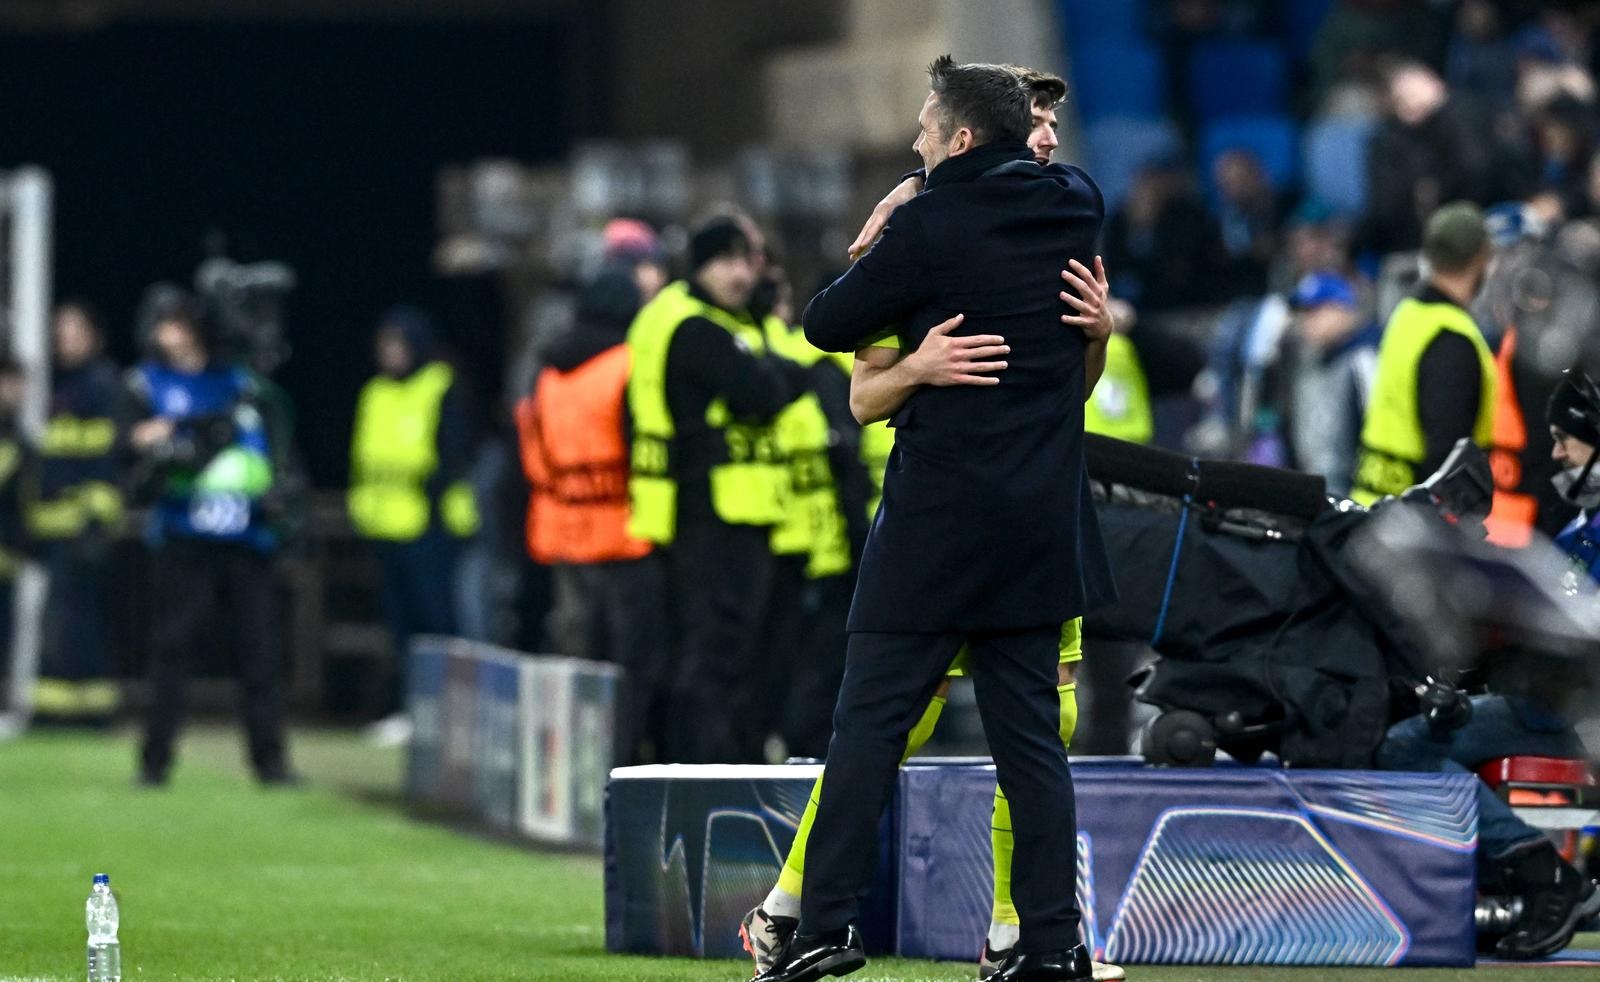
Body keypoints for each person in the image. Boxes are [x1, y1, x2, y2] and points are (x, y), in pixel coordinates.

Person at [744, 67, 1124, 982]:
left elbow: (825, 324)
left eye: (924, 131)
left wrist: (886, 229)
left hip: (935, 525)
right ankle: (1049, 943)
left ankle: (823, 925)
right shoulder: (1075, 207)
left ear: (956, 141)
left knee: (870, 726)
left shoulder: (923, 230)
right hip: (1037, 526)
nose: (915, 141)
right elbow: (1062, 187)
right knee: (1033, 745)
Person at [1375, 374, 1600, 961]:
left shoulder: (1587, 533)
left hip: (1567, 713)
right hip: (1548, 702)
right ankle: (1509, 877)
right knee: (1412, 723)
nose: (1555, 454)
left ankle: (1540, 873)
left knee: (1403, 749)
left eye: (1565, 439)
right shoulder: (1580, 529)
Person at [624, 216, 805, 764]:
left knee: (708, 653)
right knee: (715, 655)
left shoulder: (687, 318)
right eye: (724, 260)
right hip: (716, 511)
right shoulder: (699, 328)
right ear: (699, 266)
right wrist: (767, 348)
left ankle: (696, 764)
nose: (738, 274)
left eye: (744, 261)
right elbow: (766, 389)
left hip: (703, 510)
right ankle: (702, 772)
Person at [124, 287, 294, 786]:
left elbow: (274, 452)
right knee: (172, 650)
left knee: (260, 654)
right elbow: (132, 451)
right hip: (184, 535)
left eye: (175, 322)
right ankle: (155, 763)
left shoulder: (241, 385)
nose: (166, 333)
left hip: (246, 538)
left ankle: (271, 763)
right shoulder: (147, 384)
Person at [514, 265, 667, 765]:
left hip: (566, 531)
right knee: (630, 664)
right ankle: (620, 764)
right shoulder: (628, 364)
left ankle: (565, 768)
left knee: (576, 657)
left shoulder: (548, 370)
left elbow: (534, 454)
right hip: (626, 535)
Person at [348, 308, 479, 744]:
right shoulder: (376, 392)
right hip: (387, 525)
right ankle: (412, 712)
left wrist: (432, 497)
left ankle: (450, 717)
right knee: (399, 626)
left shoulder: (440, 385)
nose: (390, 353)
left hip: (432, 524)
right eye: (384, 345)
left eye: (398, 344)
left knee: (438, 623)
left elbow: (453, 453)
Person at [1353, 202, 1498, 505]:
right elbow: (1447, 460)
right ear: (1482, 257)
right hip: (1411, 524)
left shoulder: (1407, 314)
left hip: (1374, 505)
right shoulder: (1452, 337)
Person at [29, 302, 124, 724]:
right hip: (58, 526)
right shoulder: (60, 387)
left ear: (94, 336)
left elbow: (108, 458)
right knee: (66, 618)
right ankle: (69, 711)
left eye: (73, 331)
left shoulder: (103, 385)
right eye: (59, 332)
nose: (64, 340)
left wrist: (96, 517)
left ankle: (87, 713)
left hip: (85, 525)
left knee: (79, 620)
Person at [1285, 272, 1380, 498]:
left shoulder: (1364, 358)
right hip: (1322, 491)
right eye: (1303, 313)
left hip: (1358, 493)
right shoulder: (1309, 363)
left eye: (1315, 311)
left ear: (1342, 309)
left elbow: (1376, 426)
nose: (1306, 321)